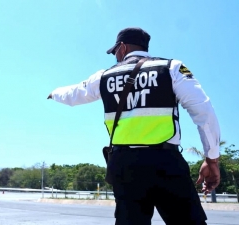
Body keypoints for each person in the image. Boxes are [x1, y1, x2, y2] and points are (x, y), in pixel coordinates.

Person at [47, 27, 220, 225]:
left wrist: (54, 93)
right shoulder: (172, 67)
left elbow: (74, 94)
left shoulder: (103, 76)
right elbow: (204, 112)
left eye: (114, 52)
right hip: (166, 162)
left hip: (125, 165)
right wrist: (211, 158)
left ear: (122, 47)